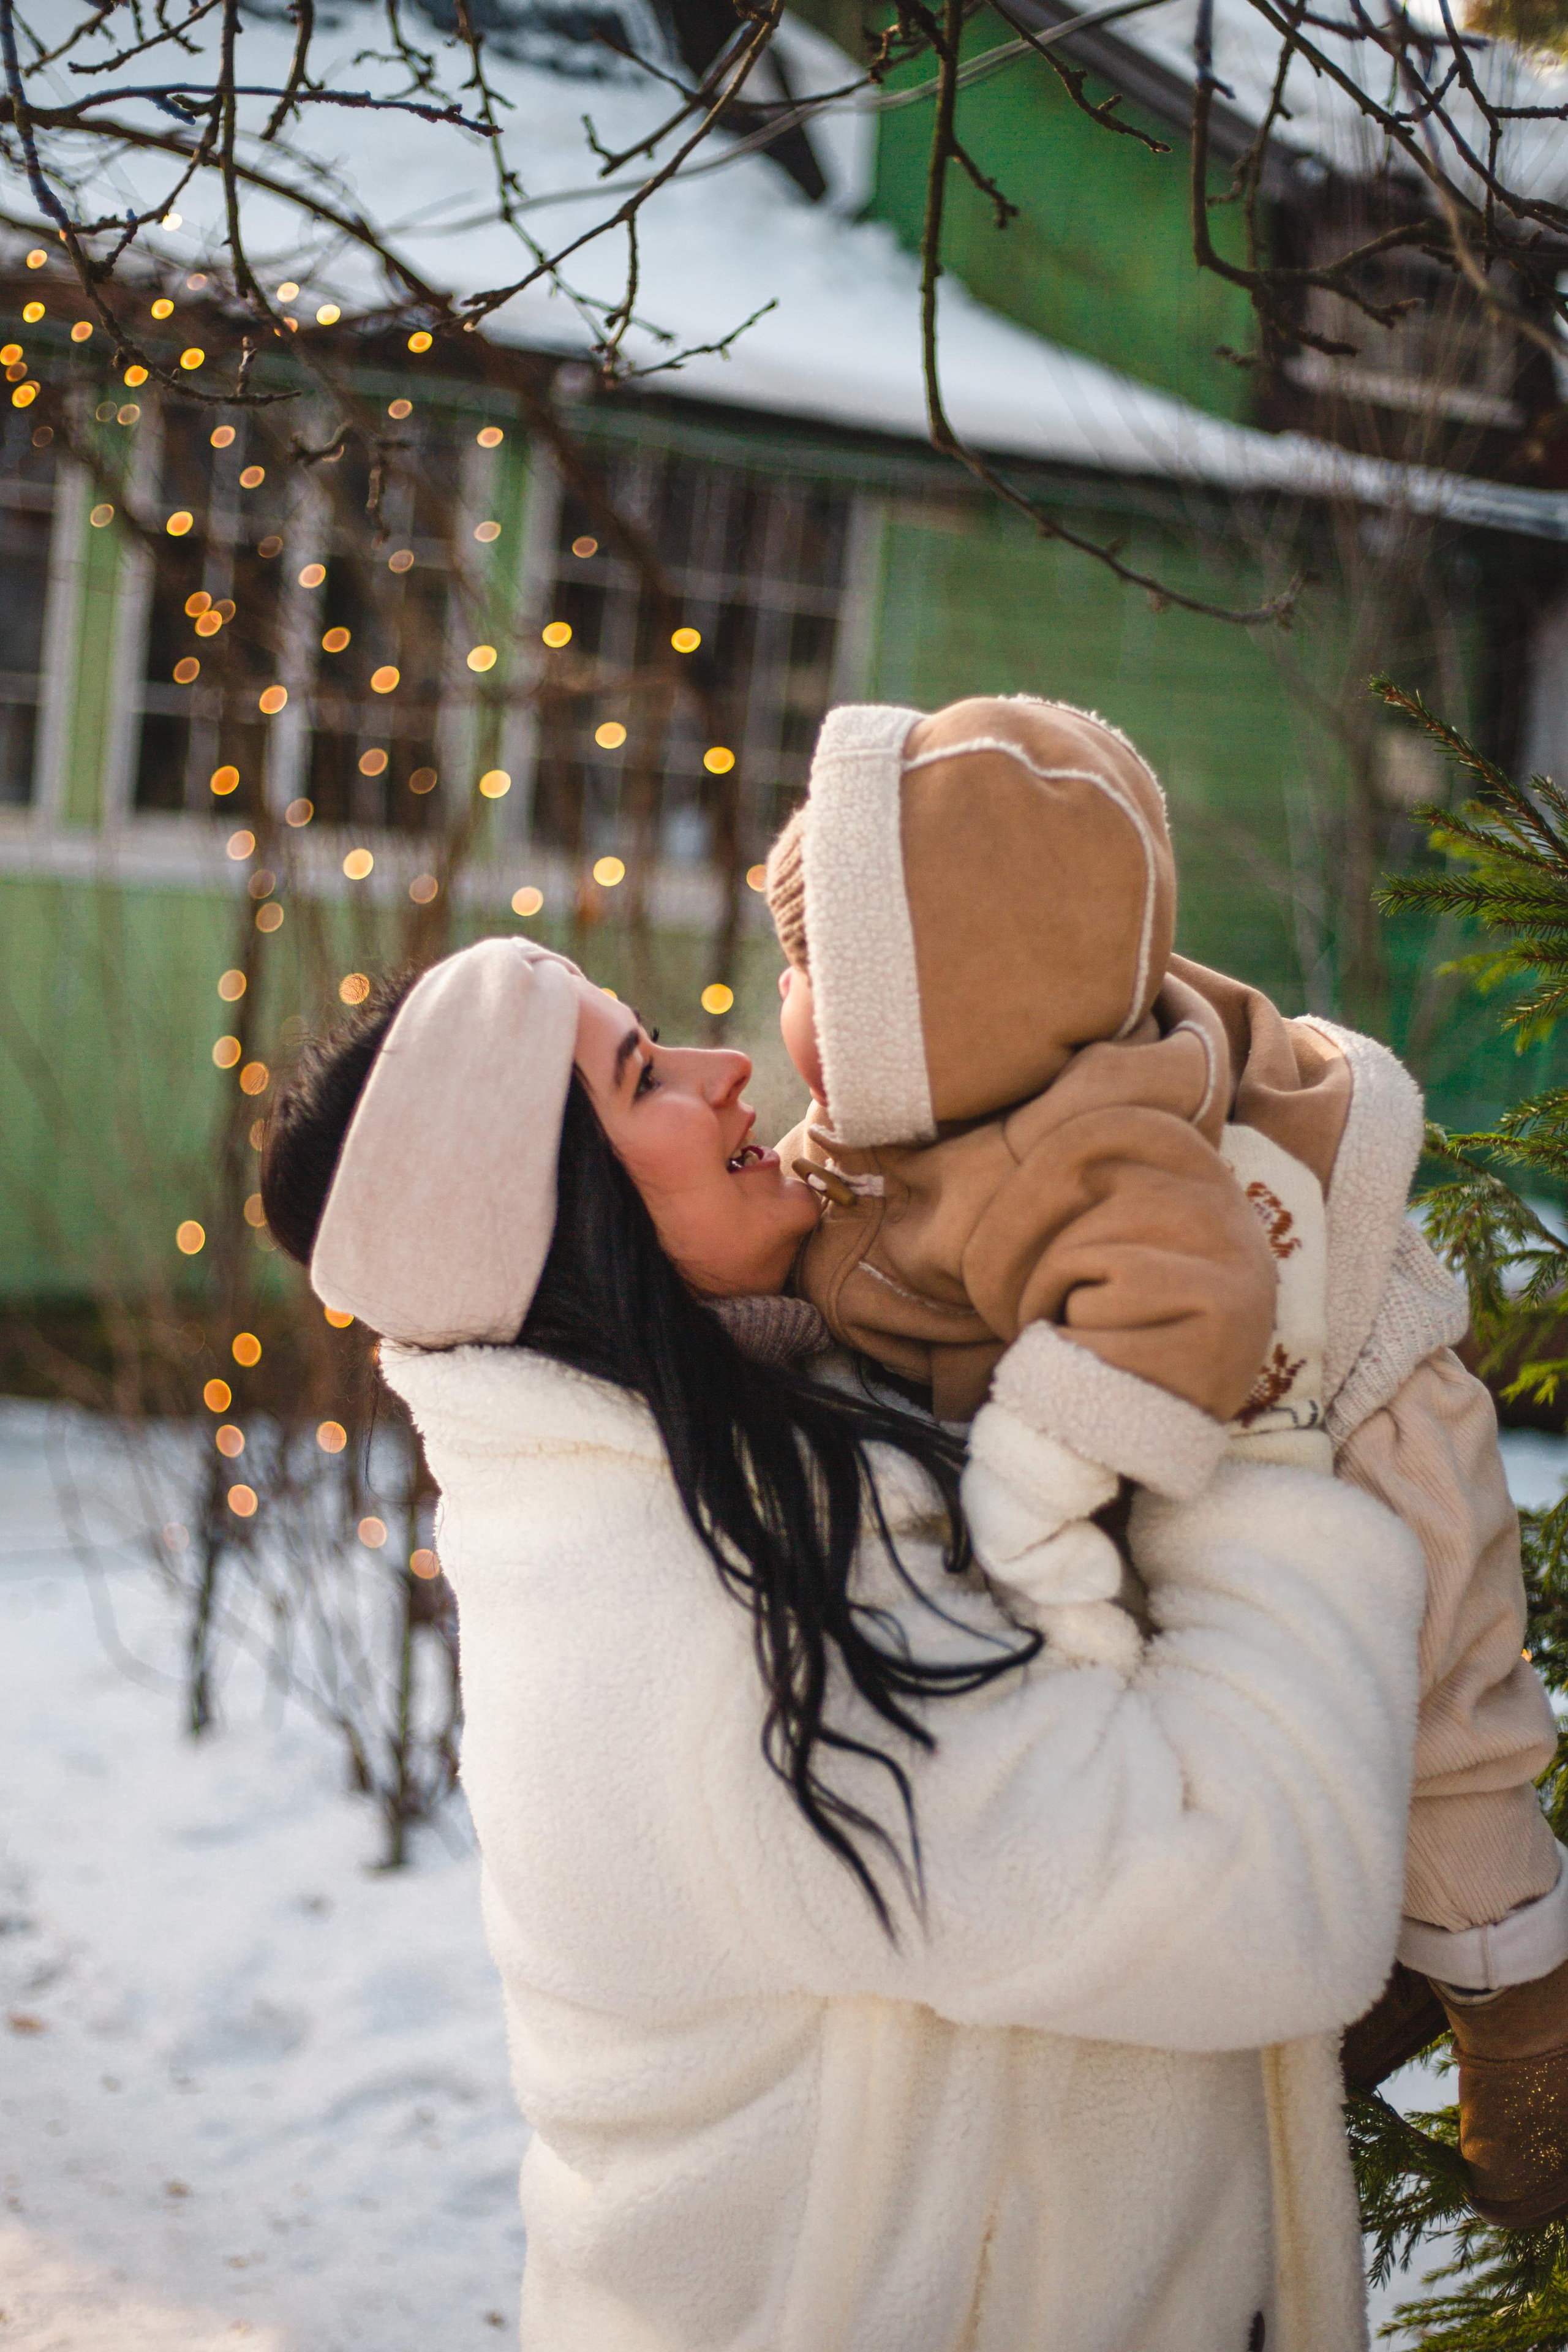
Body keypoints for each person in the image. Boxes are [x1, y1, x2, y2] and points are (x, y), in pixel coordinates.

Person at [261, 935, 1427, 2351]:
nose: (726, 1068)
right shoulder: (715, 1640)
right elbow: (1263, 1904)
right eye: (646, 1081)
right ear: (576, 1227)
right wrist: (1250, 1454)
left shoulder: (711, 1483)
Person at [761, 693, 1568, 2225]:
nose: (784, 1001)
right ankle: (1368, 1957)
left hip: (1362, 1401)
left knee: (1450, 1740)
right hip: (1228, 1431)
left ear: (942, 999)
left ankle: (1520, 2010)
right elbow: (806, 1235)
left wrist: (1039, 1474)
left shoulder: (1095, 1136)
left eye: (812, 969)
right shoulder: (918, 1106)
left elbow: (1183, 1291)